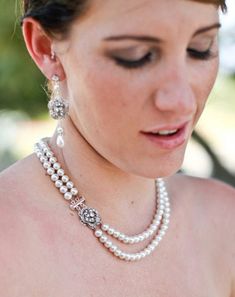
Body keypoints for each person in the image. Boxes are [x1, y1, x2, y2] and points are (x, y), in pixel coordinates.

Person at [0, 0, 234, 295]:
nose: (182, 101)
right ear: (47, 48)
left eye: (200, 48)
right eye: (135, 56)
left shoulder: (225, 224)